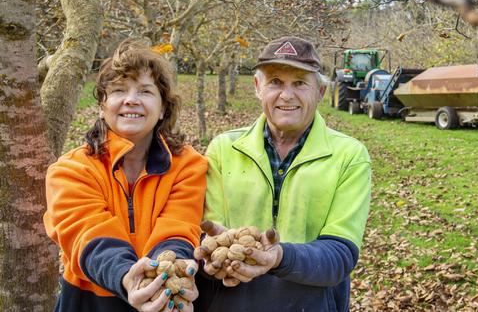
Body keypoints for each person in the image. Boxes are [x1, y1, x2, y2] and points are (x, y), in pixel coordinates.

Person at [195, 36, 372, 311]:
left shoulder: (350, 156)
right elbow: (209, 237)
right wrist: (211, 253)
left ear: (321, 92)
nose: (286, 95)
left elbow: (340, 253)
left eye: (300, 83)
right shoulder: (223, 149)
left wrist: (279, 257)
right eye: (275, 82)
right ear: (257, 87)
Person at [44, 39, 207, 312]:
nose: (131, 99)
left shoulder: (188, 165)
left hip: (163, 300)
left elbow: (179, 229)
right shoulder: (71, 170)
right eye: (119, 90)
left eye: (145, 91)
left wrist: (170, 274)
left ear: (163, 108)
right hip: (90, 302)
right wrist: (127, 278)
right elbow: (88, 235)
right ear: (102, 106)